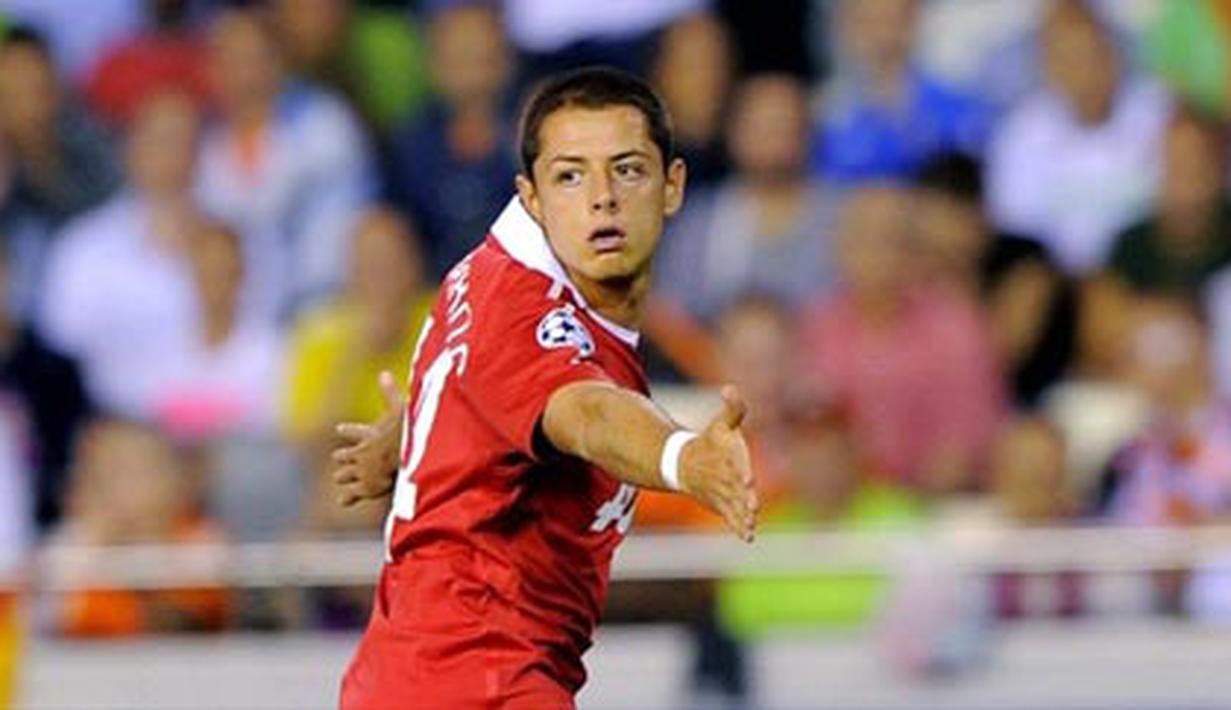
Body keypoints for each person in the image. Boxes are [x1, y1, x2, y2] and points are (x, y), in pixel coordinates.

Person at [333, 67, 757, 709]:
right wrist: (685, 458)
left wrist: (413, 435)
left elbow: (481, 378)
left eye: (627, 170)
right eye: (571, 176)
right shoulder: (528, 313)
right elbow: (586, 413)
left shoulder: (491, 268)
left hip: (415, 674)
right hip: (477, 679)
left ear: (673, 185)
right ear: (531, 197)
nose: (602, 199)